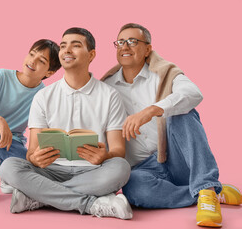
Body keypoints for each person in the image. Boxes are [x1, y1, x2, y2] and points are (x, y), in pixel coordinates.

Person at [101, 23, 241, 227]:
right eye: (120, 42)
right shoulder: (107, 86)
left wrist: (151, 110)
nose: (125, 46)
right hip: (144, 169)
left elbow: (193, 93)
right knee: (133, 189)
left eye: (132, 41)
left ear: (147, 48)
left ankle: (206, 190)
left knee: (181, 112)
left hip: (178, 159)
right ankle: (207, 191)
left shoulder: (164, 74)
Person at [0, 27, 133, 220]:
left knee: (121, 167)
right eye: (63, 46)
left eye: (76, 45)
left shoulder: (110, 95)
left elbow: (119, 150)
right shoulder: (43, 96)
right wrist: (35, 159)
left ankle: (38, 197)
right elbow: (31, 152)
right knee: (9, 167)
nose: (66, 50)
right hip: (50, 171)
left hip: (92, 171)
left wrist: (105, 155)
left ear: (91, 54)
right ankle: (91, 204)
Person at [0, 39, 62, 205]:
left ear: (49, 73)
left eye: (41, 61)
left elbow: (45, 129)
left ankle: (6, 175)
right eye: (32, 54)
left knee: (36, 168)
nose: (32, 61)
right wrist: (0, 120)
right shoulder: (2, 76)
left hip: (12, 144)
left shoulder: (43, 96)